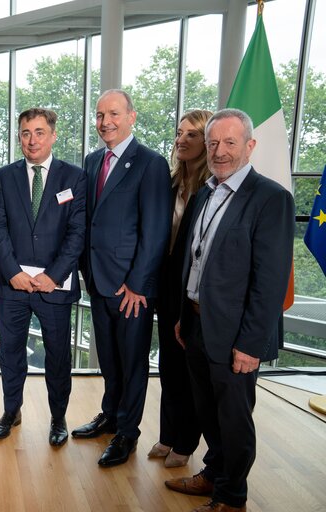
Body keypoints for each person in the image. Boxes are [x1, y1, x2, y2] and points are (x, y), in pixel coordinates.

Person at [165, 109, 294, 512]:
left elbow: (269, 282)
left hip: (236, 334)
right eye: (213, 143)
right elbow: (196, 258)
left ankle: (232, 495)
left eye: (230, 143)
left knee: (235, 419)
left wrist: (251, 344)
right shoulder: (206, 191)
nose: (220, 152)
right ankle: (213, 474)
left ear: (250, 146)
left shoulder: (272, 199)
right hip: (198, 323)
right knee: (209, 411)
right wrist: (186, 318)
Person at [74, 89, 171, 467]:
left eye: (113, 114)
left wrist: (138, 283)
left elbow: (156, 230)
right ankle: (110, 415)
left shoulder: (150, 163)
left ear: (131, 116)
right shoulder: (92, 160)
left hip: (132, 288)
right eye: (99, 115)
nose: (105, 122)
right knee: (110, 360)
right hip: (99, 281)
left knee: (132, 364)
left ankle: (127, 433)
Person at [0, 108, 86, 446]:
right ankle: (11, 411)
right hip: (13, 286)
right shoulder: (3, 177)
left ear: (53, 135)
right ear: (19, 137)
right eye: (26, 133)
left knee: (58, 357)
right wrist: (12, 271)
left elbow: (77, 233)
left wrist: (54, 276)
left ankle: (58, 418)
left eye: (39, 132)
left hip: (53, 288)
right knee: (11, 352)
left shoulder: (74, 177)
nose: (32, 139)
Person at [149, 109, 212, 468]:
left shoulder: (209, 188)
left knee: (188, 365)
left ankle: (186, 442)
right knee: (169, 363)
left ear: (206, 141)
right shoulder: (172, 182)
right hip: (166, 282)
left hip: (192, 286)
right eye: (179, 133)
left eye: (191, 135)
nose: (181, 140)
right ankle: (168, 434)